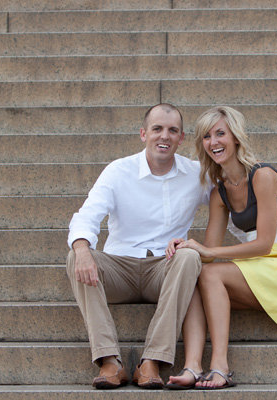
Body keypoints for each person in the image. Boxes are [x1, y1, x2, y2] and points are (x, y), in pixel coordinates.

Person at [164, 106, 277, 390]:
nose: (213, 142)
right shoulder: (218, 192)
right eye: (207, 136)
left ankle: (220, 366)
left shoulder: (263, 176)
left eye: (220, 133)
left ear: (236, 137)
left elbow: (264, 244)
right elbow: (207, 252)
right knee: (193, 275)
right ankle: (192, 366)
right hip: (259, 267)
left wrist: (209, 253)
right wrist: (184, 246)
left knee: (210, 274)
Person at [66, 103, 209, 390]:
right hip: (119, 268)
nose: (164, 136)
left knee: (190, 256)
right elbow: (87, 215)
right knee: (76, 255)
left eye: (172, 130)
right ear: (144, 133)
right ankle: (109, 361)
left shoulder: (196, 174)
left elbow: (234, 201)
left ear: (182, 138)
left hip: (164, 269)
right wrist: (82, 249)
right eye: (157, 129)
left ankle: (152, 360)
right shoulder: (119, 171)